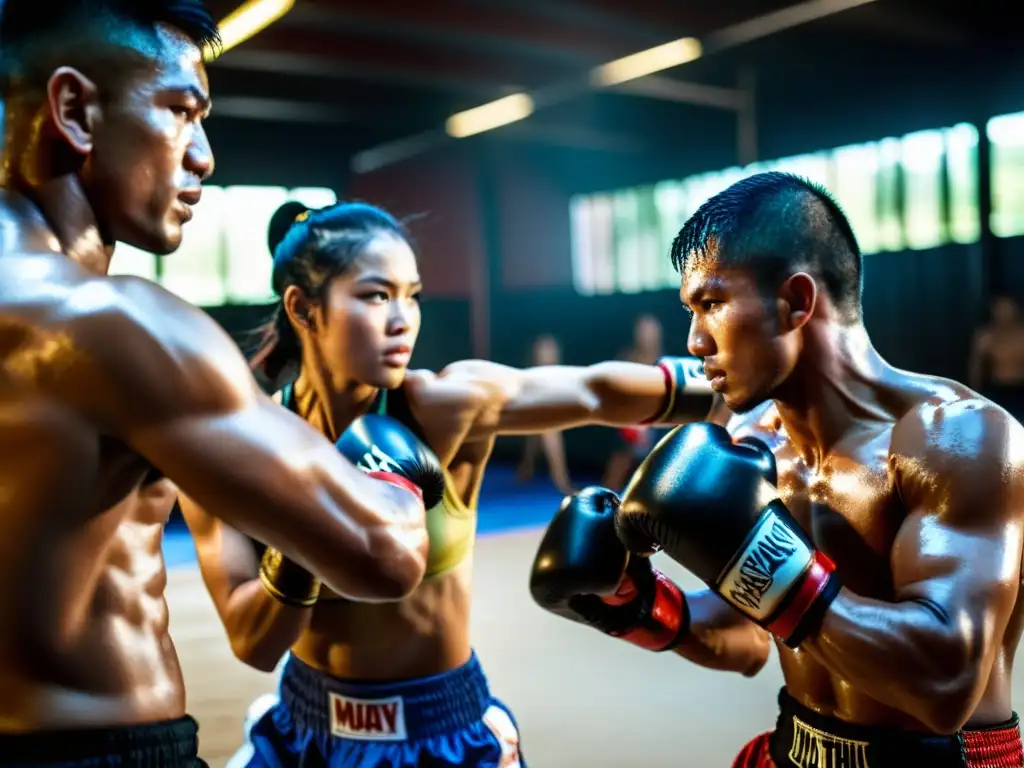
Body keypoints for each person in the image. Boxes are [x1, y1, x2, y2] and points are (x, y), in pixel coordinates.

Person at [0, 2, 439, 764]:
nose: (202, 155)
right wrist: (389, 474)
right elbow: (383, 552)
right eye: (181, 111)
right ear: (73, 110)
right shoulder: (118, 326)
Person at [181, 199, 715, 768]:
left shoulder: (441, 408)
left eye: (411, 295)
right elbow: (253, 643)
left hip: (442, 730)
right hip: (304, 730)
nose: (402, 318)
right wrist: (311, 528)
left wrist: (744, 377)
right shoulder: (243, 448)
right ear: (304, 309)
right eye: (375, 295)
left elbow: (593, 392)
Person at [530, 172, 1024, 767]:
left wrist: (761, 561)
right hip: (794, 749)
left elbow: (943, 680)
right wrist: (642, 607)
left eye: (711, 303)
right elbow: (747, 642)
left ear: (795, 301)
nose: (693, 340)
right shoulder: (754, 442)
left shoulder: (960, 438)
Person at [602, 314, 668, 490]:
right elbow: (614, 392)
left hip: (657, 420)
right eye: (642, 331)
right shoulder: (626, 357)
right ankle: (611, 492)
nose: (646, 335)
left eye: (650, 331)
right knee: (626, 444)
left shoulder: (665, 362)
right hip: (628, 419)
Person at [516, 334, 574, 495]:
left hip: (540, 414)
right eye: (544, 349)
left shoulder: (559, 374)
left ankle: (526, 468)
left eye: (551, 349)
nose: (548, 352)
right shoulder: (531, 375)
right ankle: (561, 480)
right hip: (526, 412)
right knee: (549, 429)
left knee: (542, 428)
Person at [969, 295, 1024, 419]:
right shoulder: (987, 336)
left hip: (1021, 387)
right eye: (1000, 308)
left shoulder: (1022, 334)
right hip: (998, 388)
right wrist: (974, 392)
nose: (1004, 312)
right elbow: (976, 366)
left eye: (1007, 308)